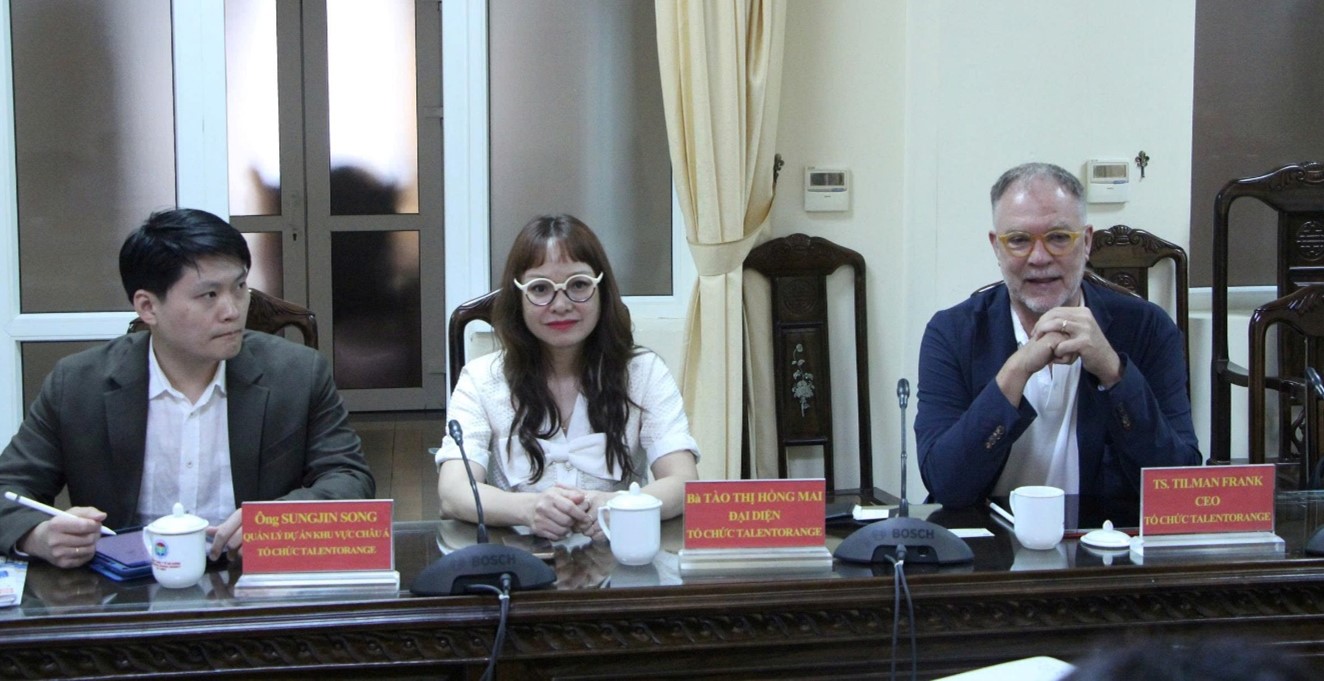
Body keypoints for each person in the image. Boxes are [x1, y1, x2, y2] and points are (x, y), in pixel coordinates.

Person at [0, 208, 375, 567]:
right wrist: (37, 535)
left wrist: (278, 520)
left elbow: (349, 478)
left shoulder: (297, 374)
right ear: (148, 307)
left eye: (240, 287)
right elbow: (9, 488)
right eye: (209, 295)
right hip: (124, 588)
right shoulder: (78, 383)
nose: (232, 310)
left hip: (251, 578)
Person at [915, 163, 1199, 508]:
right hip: (987, 533)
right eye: (1019, 240)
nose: (1039, 258)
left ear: (1087, 241)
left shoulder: (1148, 328)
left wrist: (1113, 373)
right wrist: (1015, 372)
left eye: (1059, 238)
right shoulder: (951, 333)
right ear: (996, 247)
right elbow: (946, 485)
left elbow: (1178, 483)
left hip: (1102, 535)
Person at [437, 214, 699, 541]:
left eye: (578, 285)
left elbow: (684, 483)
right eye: (540, 289)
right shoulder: (480, 379)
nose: (561, 305)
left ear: (602, 290)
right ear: (518, 298)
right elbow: (453, 492)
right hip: (517, 555)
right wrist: (528, 509)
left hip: (617, 551)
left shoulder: (644, 372)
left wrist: (621, 505)